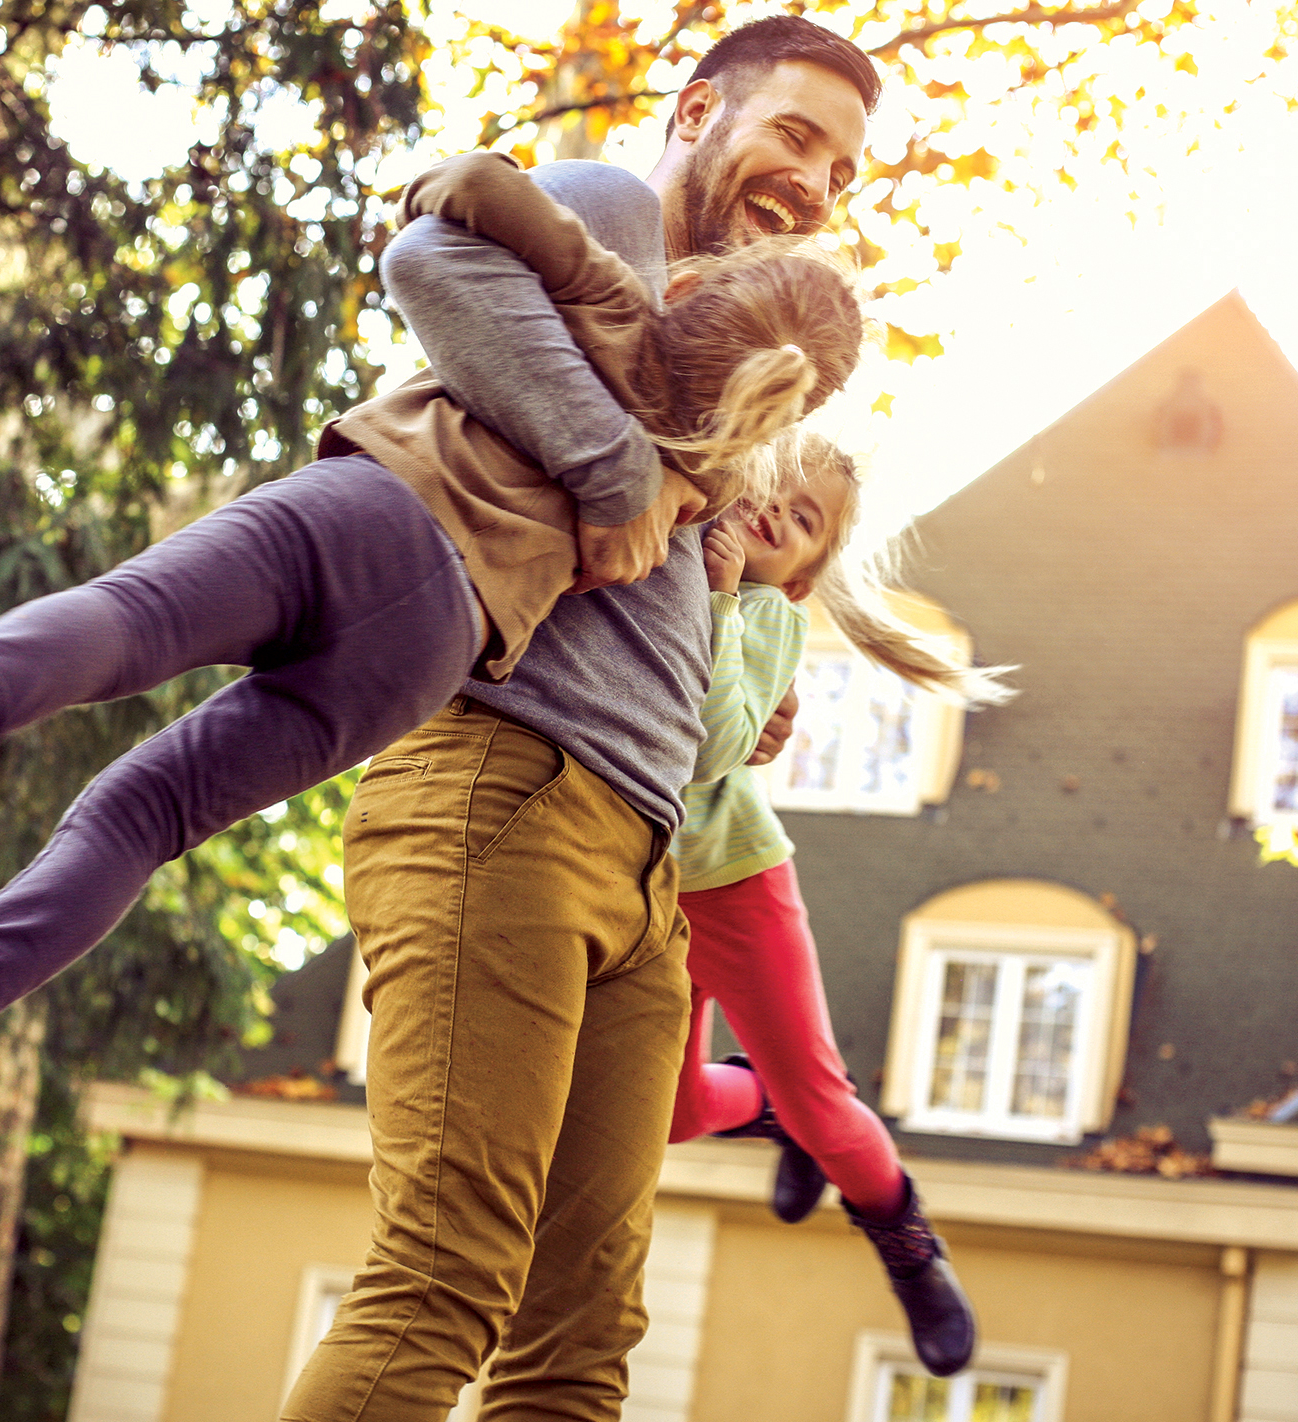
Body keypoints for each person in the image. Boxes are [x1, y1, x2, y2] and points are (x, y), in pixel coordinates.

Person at [0, 142, 866, 1155]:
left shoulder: (615, 298)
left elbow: (459, 193)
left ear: (696, 279)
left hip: (374, 518)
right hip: (427, 656)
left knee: (130, 622)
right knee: (142, 818)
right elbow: (693, 639)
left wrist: (493, 204)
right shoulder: (693, 487)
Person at [280, 20, 893, 1422]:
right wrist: (619, 471)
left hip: (644, 862)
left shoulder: (729, 348)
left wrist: (737, 691)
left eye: (843, 173)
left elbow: (651, 597)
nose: (814, 184)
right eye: (794, 136)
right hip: (504, 786)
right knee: (441, 1278)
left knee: (580, 1344)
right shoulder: (613, 213)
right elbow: (429, 258)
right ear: (695, 112)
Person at [670, 431, 1008, 1378]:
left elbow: (706, 746)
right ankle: (763, 1103)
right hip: (651, 895)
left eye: (802, 519)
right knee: (667, 1112)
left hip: (735, 880)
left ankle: (911, 1249)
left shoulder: (769, 615)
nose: (776, 507)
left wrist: (729, 594)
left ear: (805, 576)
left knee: (826, 1106)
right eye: (772, 486)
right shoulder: (674, 547)